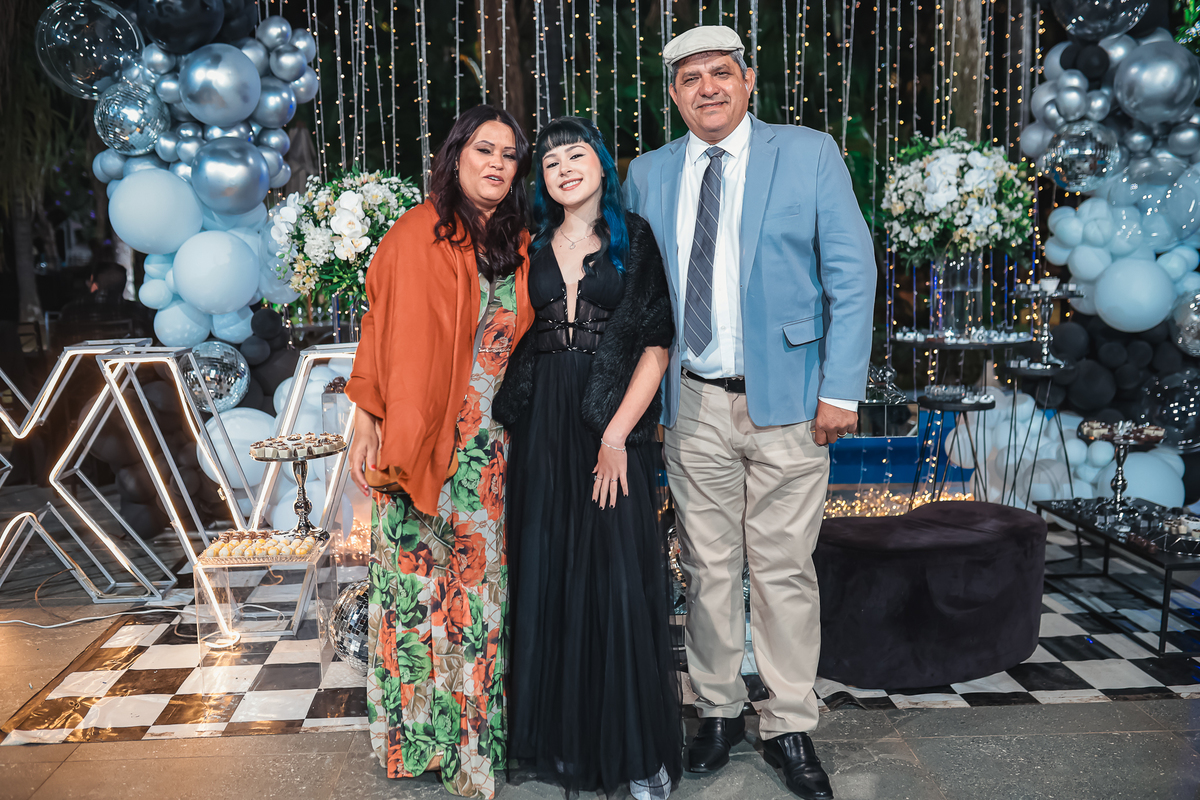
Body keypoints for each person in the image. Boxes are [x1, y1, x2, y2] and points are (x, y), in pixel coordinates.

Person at [623, 26, 877, 800]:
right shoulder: (647, 173)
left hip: (792, 399)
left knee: (782, 570)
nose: (707, 87)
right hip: (692, 400)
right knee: (705, 567)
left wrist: (841, 390)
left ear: (748, 80)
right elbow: (638, 294)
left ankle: (790, 722)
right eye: (690, 78)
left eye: (720, 73)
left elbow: (852, 271)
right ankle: (719, 710)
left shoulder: (807, 153)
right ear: (674, 94)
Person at [345, 105, 534, 800]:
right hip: (416, 439)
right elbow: (379, 329)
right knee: (413, 597)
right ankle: (416, 744)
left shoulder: (519, 242)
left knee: (476, 599)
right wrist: (366, 420)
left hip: (489, 452)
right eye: (484, 149)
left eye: (509, 155)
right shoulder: (414, 232)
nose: (497, 164)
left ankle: (469, 750)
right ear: (456, 156)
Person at [493, 116, 683, 799]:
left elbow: (656, 347)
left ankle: (634, 755)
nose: (565, 169)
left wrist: (616, 437)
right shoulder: (525, 243)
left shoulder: (636, 240)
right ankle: (563, 745)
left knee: (615, 580)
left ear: (602, 165)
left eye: (577, 156)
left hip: (611, 425)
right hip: (540, 425)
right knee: (548, 571)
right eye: (551, 163)